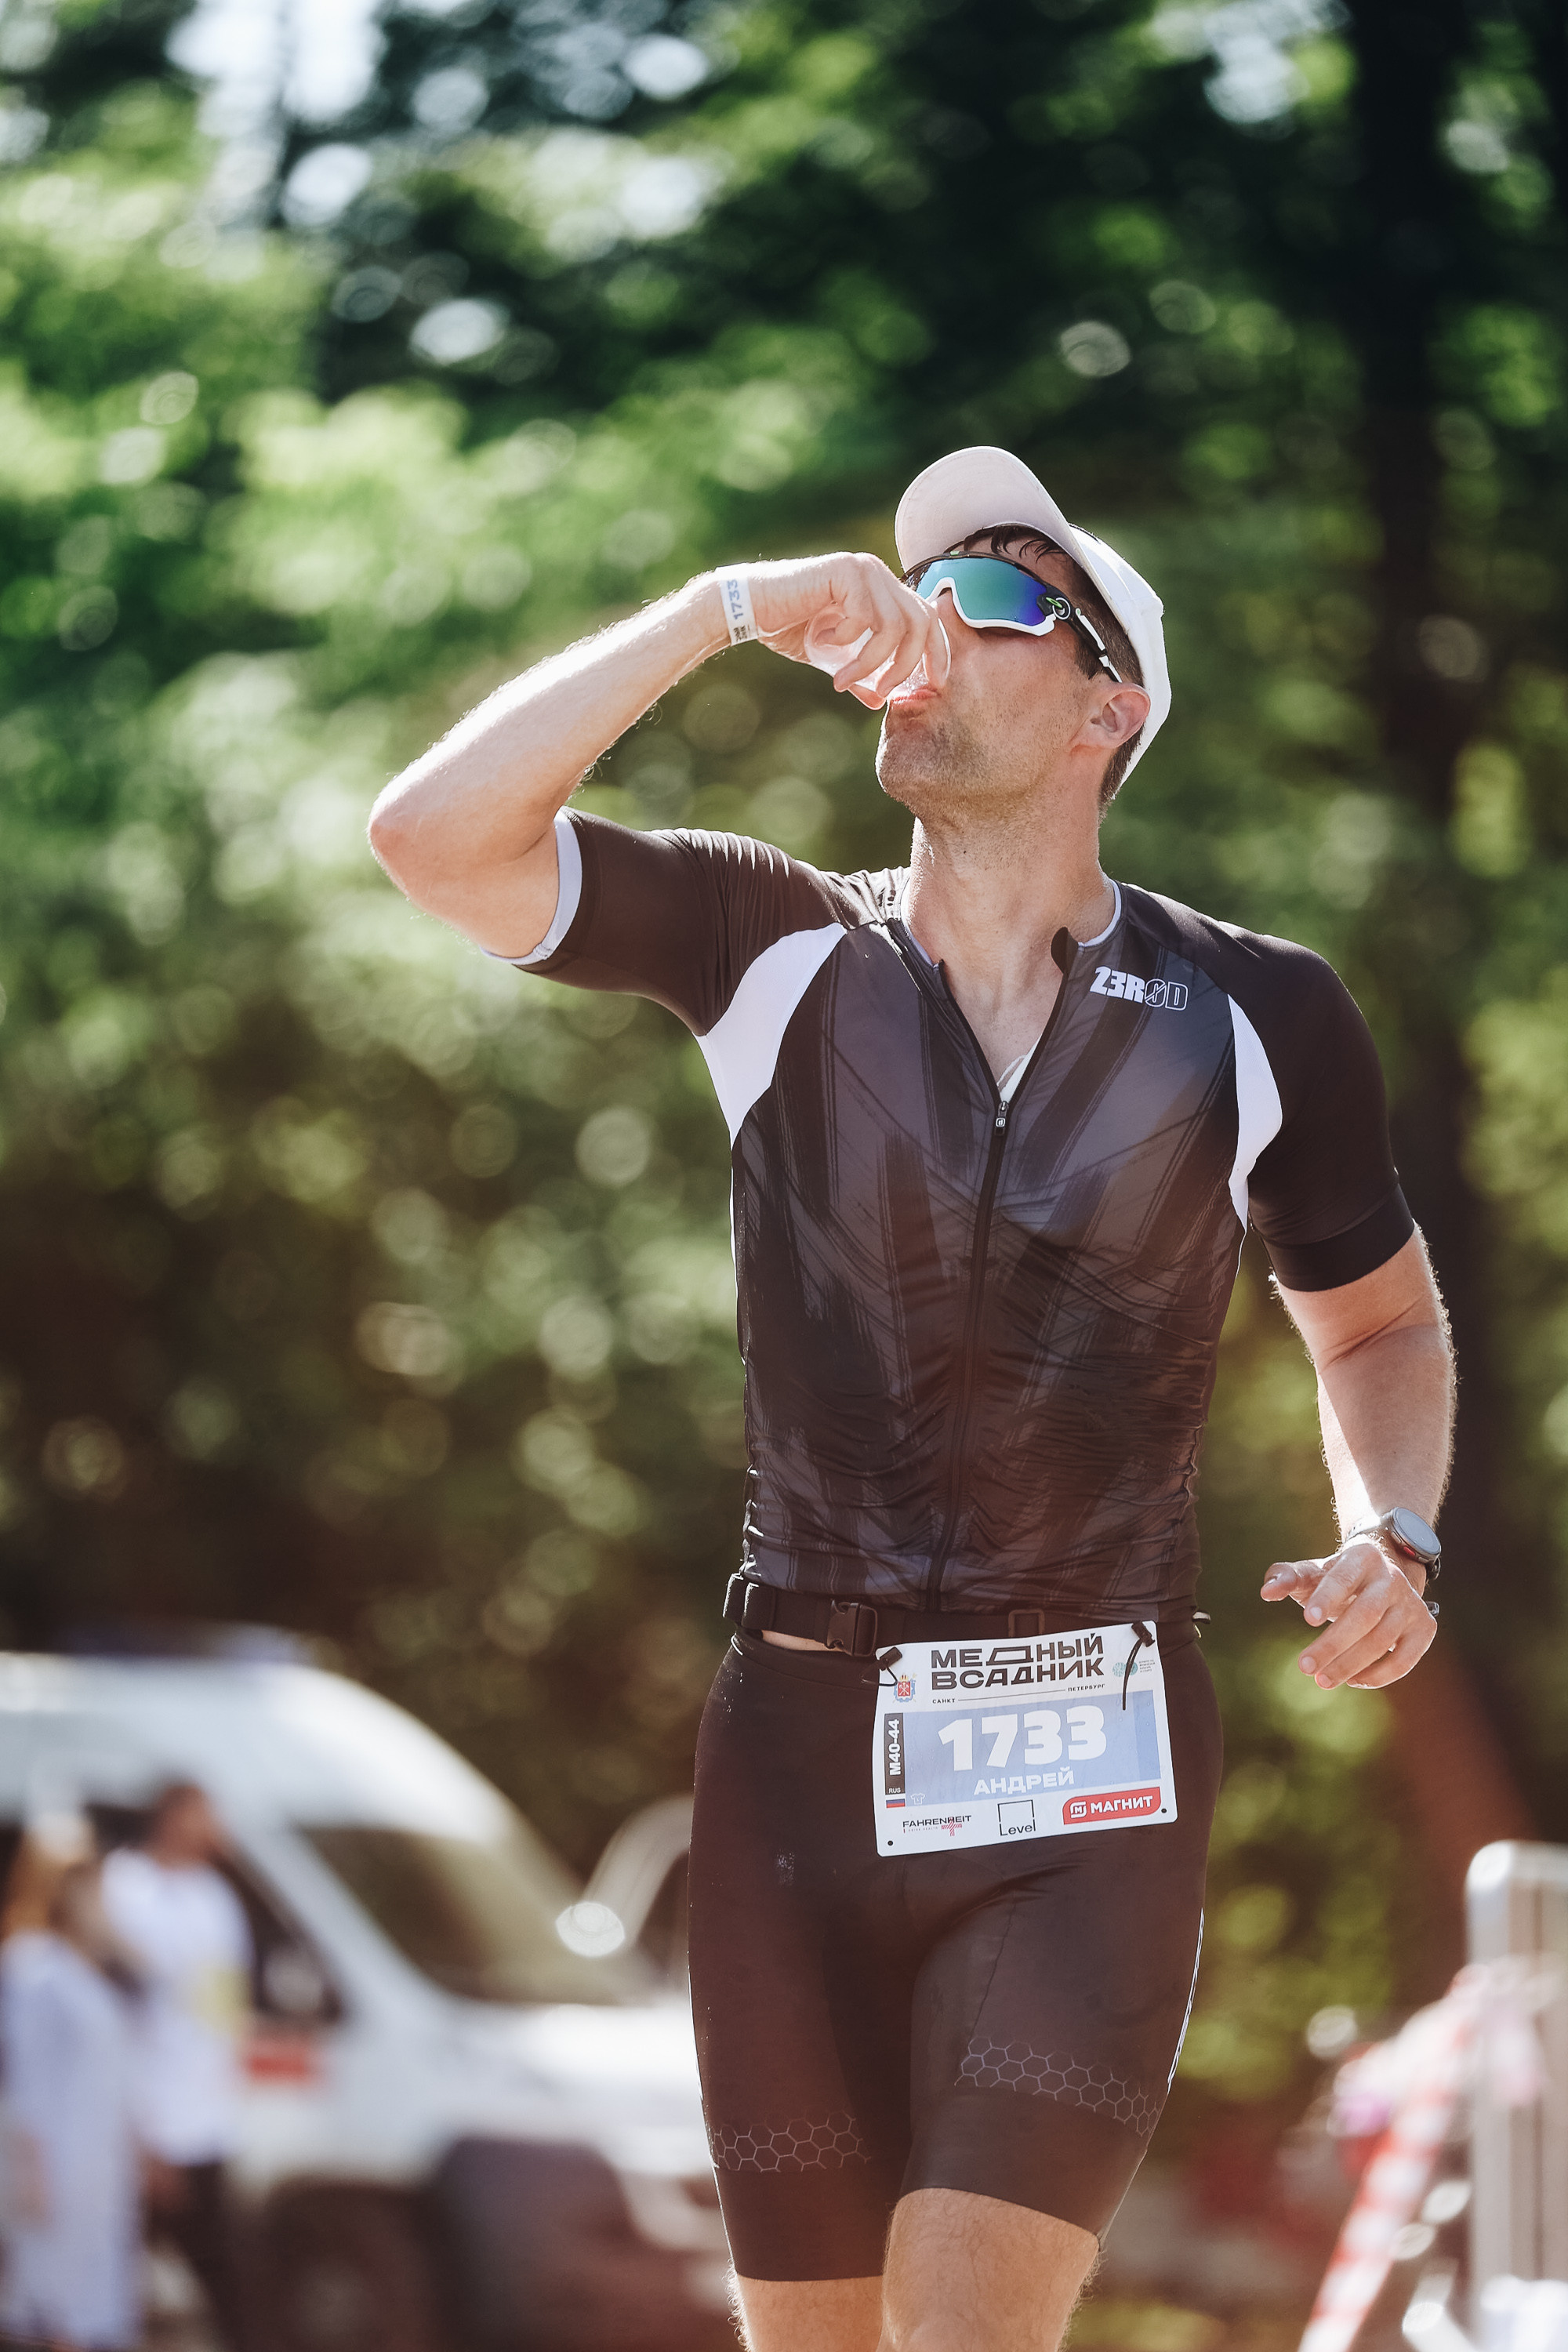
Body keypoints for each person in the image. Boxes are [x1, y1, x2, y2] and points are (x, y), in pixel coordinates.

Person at [368, 445, 1454, 2352]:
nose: (933, 616)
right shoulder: (769, 942)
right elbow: (428, 836)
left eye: (1002, 595)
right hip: (790, 1763)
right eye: (919, 587)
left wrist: (1398, 1526)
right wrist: (723, 608)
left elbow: (1372, 1324)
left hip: (1084, 1770)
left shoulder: (1255, 1012)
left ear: (1104, 705)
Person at [101, 1783, 252, 2352]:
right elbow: (116, 2023)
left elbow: (220, 2012)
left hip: (203, 2123)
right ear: (171, 1817)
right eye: (202, 1817)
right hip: (136, 2128)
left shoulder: (215, 1896)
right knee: (107, 2285)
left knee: (228, 2282)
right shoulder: (124, 1891)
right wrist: (140, 2131)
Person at [0, 1837, 143, 2352]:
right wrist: (28, 2172)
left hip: (100, 2166)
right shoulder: (33, 1966)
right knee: (58, 2308)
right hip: (55, 2162)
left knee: (97, 2303)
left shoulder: (95, 1968)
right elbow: (28, 2082)